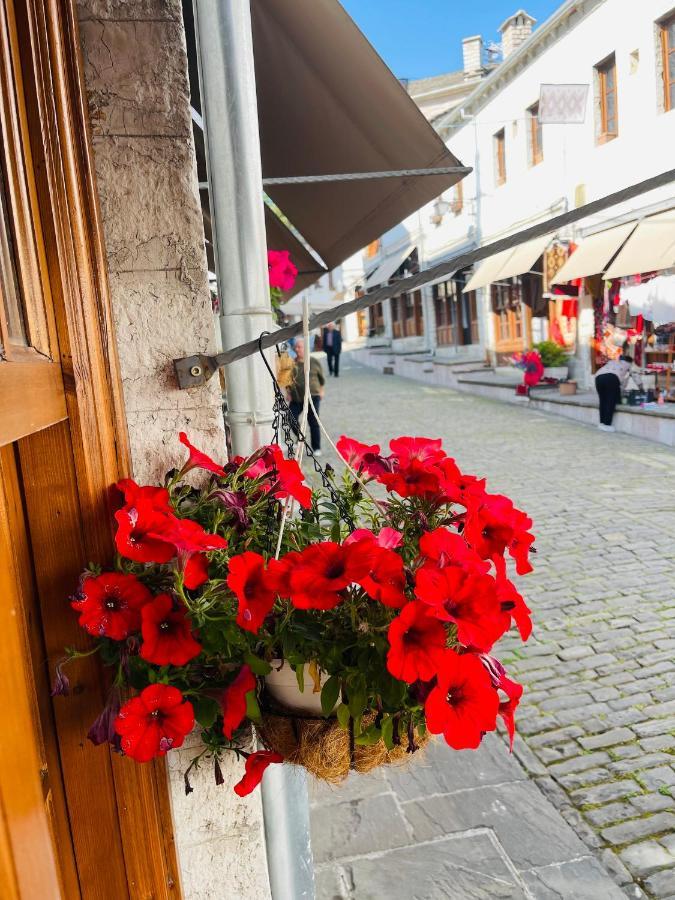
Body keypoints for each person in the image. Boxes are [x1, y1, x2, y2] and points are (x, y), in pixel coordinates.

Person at [288, 337, 325, 455]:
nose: (297, 349)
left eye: (300, 347)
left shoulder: (313, 361)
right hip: (296, 397)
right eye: (296, 347)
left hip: (312, 396)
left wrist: (321, 390)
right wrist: (288, 393)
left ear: (305, 348)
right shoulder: (292, 364)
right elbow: (288, 380)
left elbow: (321, 379)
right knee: (290, 417)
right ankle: (301, 438)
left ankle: (316, 447)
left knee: (313, 421)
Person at [594, 344, 633, 432]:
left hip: (598, 377)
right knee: (610, 401)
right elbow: (630, 378)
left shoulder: (612, 362)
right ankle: (607, 425)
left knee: (603, 400)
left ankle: (601, 423)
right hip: (611, 378)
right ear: (630, 361)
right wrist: (641, 387)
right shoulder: (628, 365)